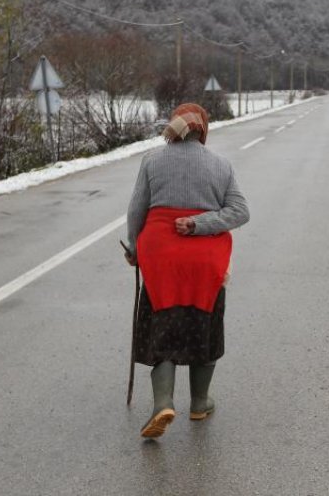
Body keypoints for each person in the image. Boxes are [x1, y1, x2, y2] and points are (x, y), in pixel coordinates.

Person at [125, 102, 250, 439]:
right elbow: (240, 211)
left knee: (163, 327)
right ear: (203, 130)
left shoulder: (152, 160)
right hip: (206, 263)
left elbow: (136, 211)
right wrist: (200, 223)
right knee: (203, 326)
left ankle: (162, 403)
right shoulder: (220, 165)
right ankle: (199, 403)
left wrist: (135, 251)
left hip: (161, 259)